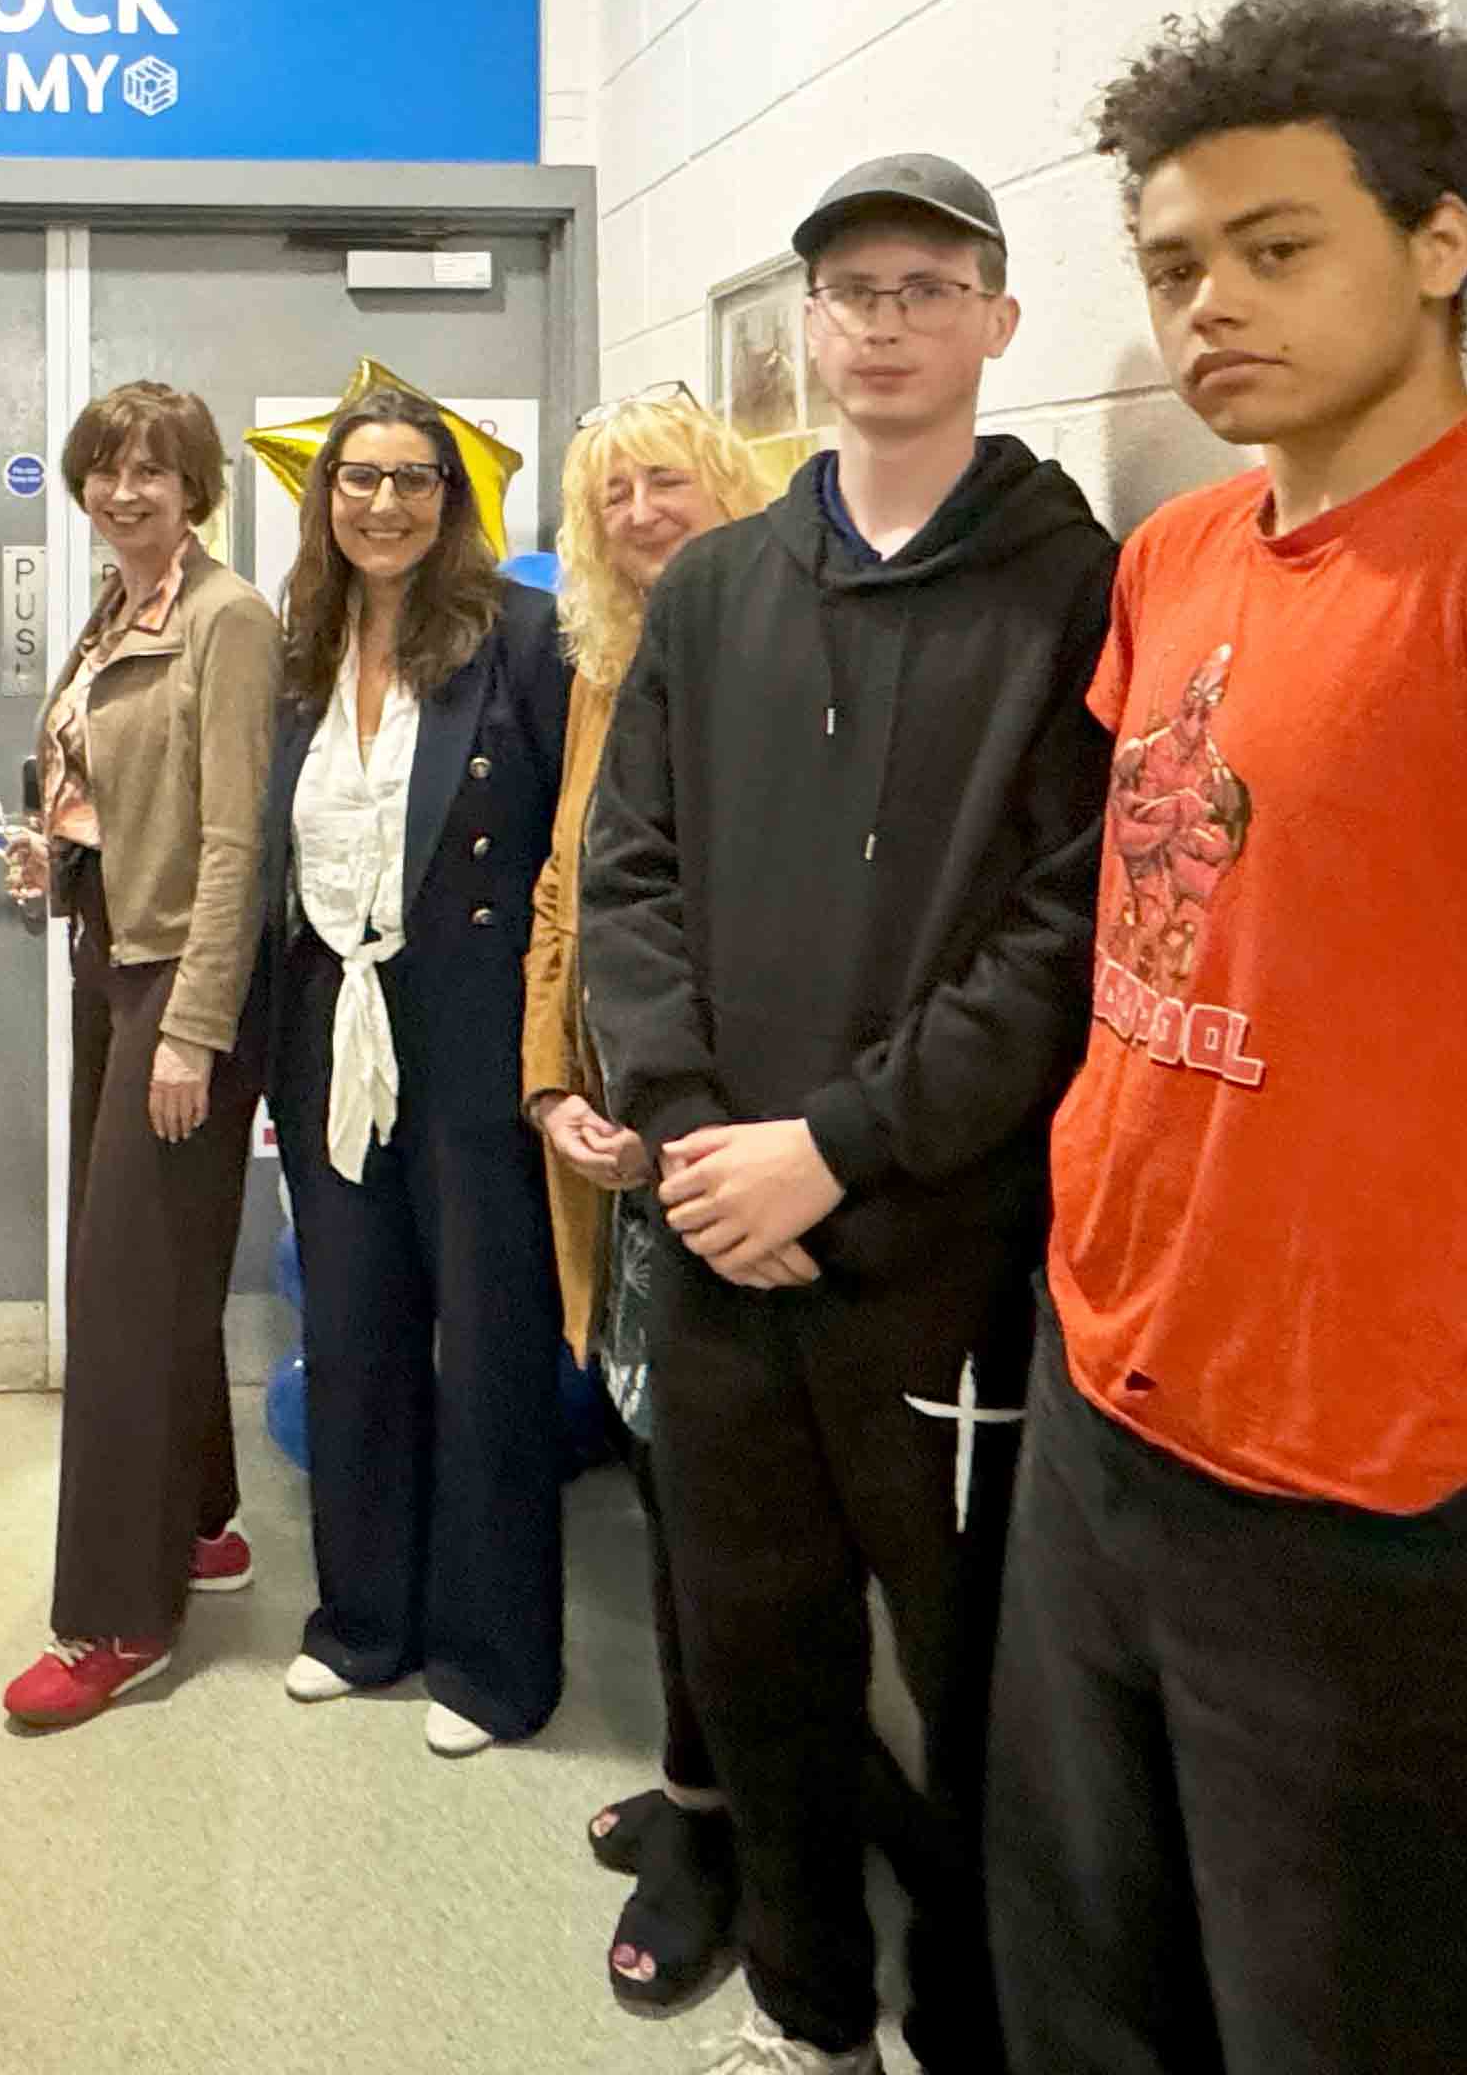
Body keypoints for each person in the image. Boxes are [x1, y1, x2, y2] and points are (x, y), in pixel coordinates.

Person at [988, 0, 1467, 2073]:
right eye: (1175, 265)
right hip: (1116, 1394)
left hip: (1397, 1467)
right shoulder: (1178, 552)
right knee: (1098, 1981)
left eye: (1279, 250)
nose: (1213, 309)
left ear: (1438, 240)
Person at [581, 153, 1116, 2075]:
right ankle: (810, 2008)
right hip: (719, 1236)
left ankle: (967, 2028)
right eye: (846, 292)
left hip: (932, 1248)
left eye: (921, 285)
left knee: (974, 1688)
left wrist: (839, 1141)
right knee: (754, 1655)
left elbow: (1066, 930)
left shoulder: (1073, 586)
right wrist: (694, 1130)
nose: (878, 322)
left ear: (993, 317)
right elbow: (625, 877)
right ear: (800, 331)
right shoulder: (716, 588)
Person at [258, 384, 570, 1756]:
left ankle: (494, 1661)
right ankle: (362, 1623)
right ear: (326, 500)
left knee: (489, 1344)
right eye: (359, 480)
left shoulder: (520, 638)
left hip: (471, 1025)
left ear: (452, 501)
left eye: (413, 480)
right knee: (354, 1324)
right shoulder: (296, 648)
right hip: (327, 1018)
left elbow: (571, 850)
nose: (383, 504)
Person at [524, 387, 774, 2005]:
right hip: (621, 1163)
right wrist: (548, 1081)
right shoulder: (601, 671)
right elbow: (566, 886)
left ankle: (722, 1825)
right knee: (666, 1488)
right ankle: (703, 1786)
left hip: (745, 1160)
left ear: (727, 484)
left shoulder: (783, 648)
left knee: (730, 1517)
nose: (632, 512)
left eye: (659, 479)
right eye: (606, 493)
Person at [0, 383, 284, 1730]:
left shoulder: (228, 620)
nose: (125, 491)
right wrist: (51, 844)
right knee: (147, 1268)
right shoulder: (119, 609)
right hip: (108, 952)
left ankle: (117, 1616)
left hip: (178, 981)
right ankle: (203, 1527)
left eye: (154, 471)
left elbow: (237, 840)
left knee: (121, 1292)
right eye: (105, 469)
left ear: (199, 486)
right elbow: (117, 789)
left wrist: (196, 1025)